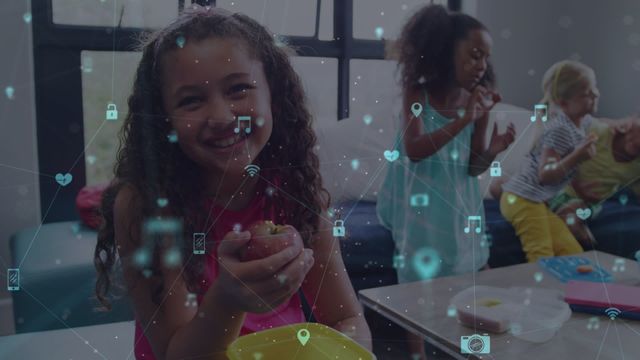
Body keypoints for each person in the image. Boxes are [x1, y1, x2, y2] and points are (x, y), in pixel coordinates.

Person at [93, 6, 371, 360]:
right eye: (191, 100)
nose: (222, 117)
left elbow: (346, 317)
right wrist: (228, 300)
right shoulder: (144, 204)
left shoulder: (296, 188)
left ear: (275, 94)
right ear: (163, 118)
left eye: (239, 89)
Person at [376, 4, 515, 358]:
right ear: (442, 52)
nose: (482, 65)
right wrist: (464, 120)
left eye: (486, 57)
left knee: (465, 262)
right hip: (420, 200)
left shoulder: (478, 101)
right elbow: (415, 149)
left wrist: (495, 150)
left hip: (457, 199)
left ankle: (472, 339)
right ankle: (418, 351)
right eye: (473, 55)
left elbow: (472, 167)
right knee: (418, 277)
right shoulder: (417, 93)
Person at [499, 60, 600, 263]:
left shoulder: (581, 123)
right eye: (587, 93)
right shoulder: (560, 130)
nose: (596, 95)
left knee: (572, 252)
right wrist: (577, 156)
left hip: (534, 200)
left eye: (595, 89)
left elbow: (605, 125)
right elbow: (545, 174)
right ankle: (538, 293)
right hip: (521, 199)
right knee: (541, 252)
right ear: (564, 103)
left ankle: (571, 290)